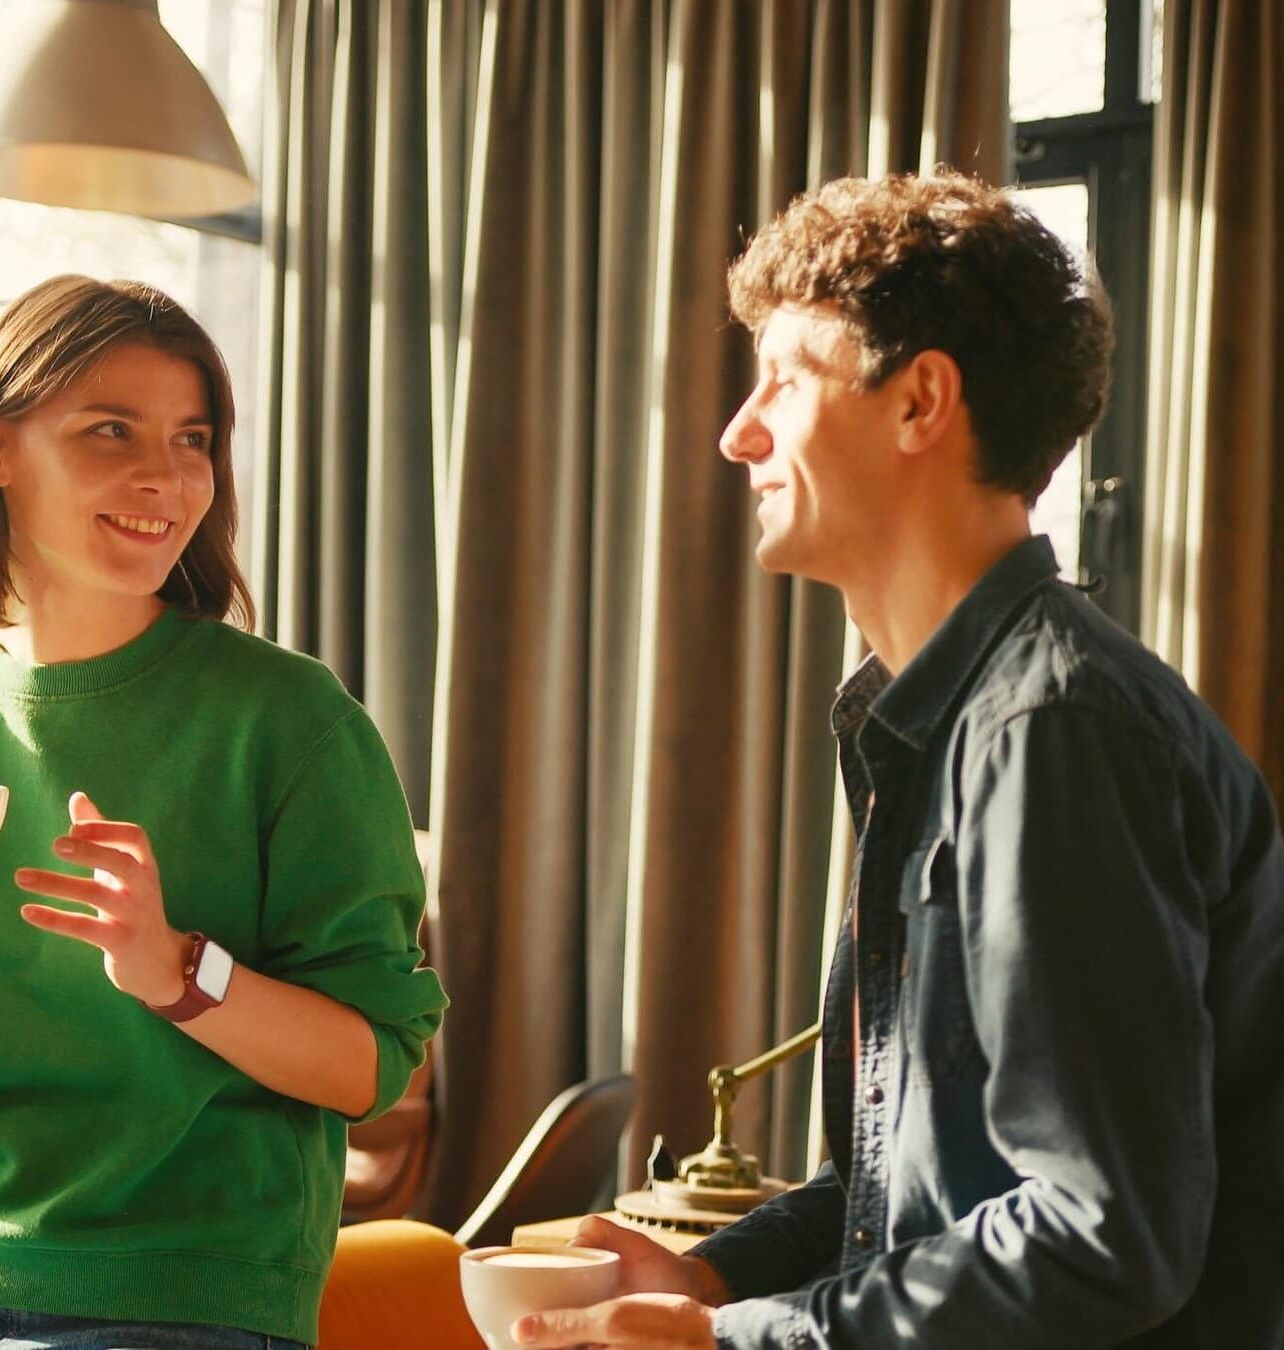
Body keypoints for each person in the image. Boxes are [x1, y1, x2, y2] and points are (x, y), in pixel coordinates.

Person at [513, 171, 1284, 1348]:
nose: (740, 431)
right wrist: (714, 1278)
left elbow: (1102, 1232)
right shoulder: (951, 721)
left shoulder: (1051, 732)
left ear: (921, 400)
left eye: (785, 377)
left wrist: (733, 1342)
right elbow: (916, 1195)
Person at [0, 276, 448, 1349]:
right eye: (111, 430)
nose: (164, 476)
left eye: (193, 437)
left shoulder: (289, 722)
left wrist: (175, 969)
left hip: (172, 1304)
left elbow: (371, 1066)